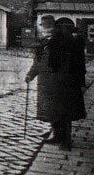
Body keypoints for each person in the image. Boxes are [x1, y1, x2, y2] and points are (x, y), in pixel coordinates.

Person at [25, 15, 86, 150]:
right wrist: (30, 74)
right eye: (42, 26)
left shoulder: (64, 42)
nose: (43, 29)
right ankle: (57, 136)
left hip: (62, 83)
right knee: (52, 111)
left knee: (64, 112)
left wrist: (72, 81)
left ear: (52, 27)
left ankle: (66, 141)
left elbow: (73, 64)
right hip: (46, 83)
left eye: (45, 27)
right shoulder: (43, 43)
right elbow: (38, 62)